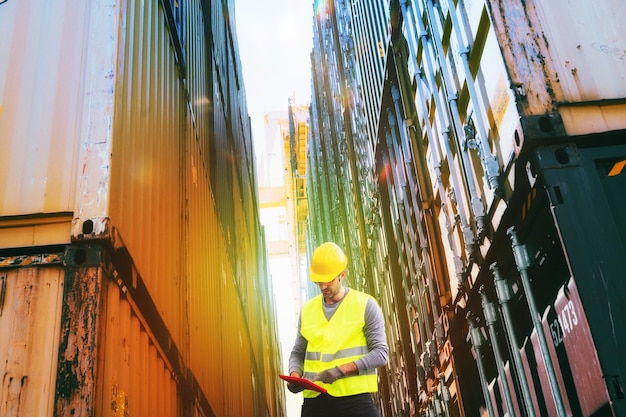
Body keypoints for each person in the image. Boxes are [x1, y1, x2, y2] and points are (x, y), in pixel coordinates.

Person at [286, 241, 389, 417]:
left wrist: (341, 371)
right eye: (319, 281)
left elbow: (381, 354)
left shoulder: (365, 305)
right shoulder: (308, 310)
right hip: (315, 402)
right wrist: (295, 375)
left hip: (354, 401)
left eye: (328, 280)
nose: (323, 286)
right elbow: (298, 352)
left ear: (342, 275)